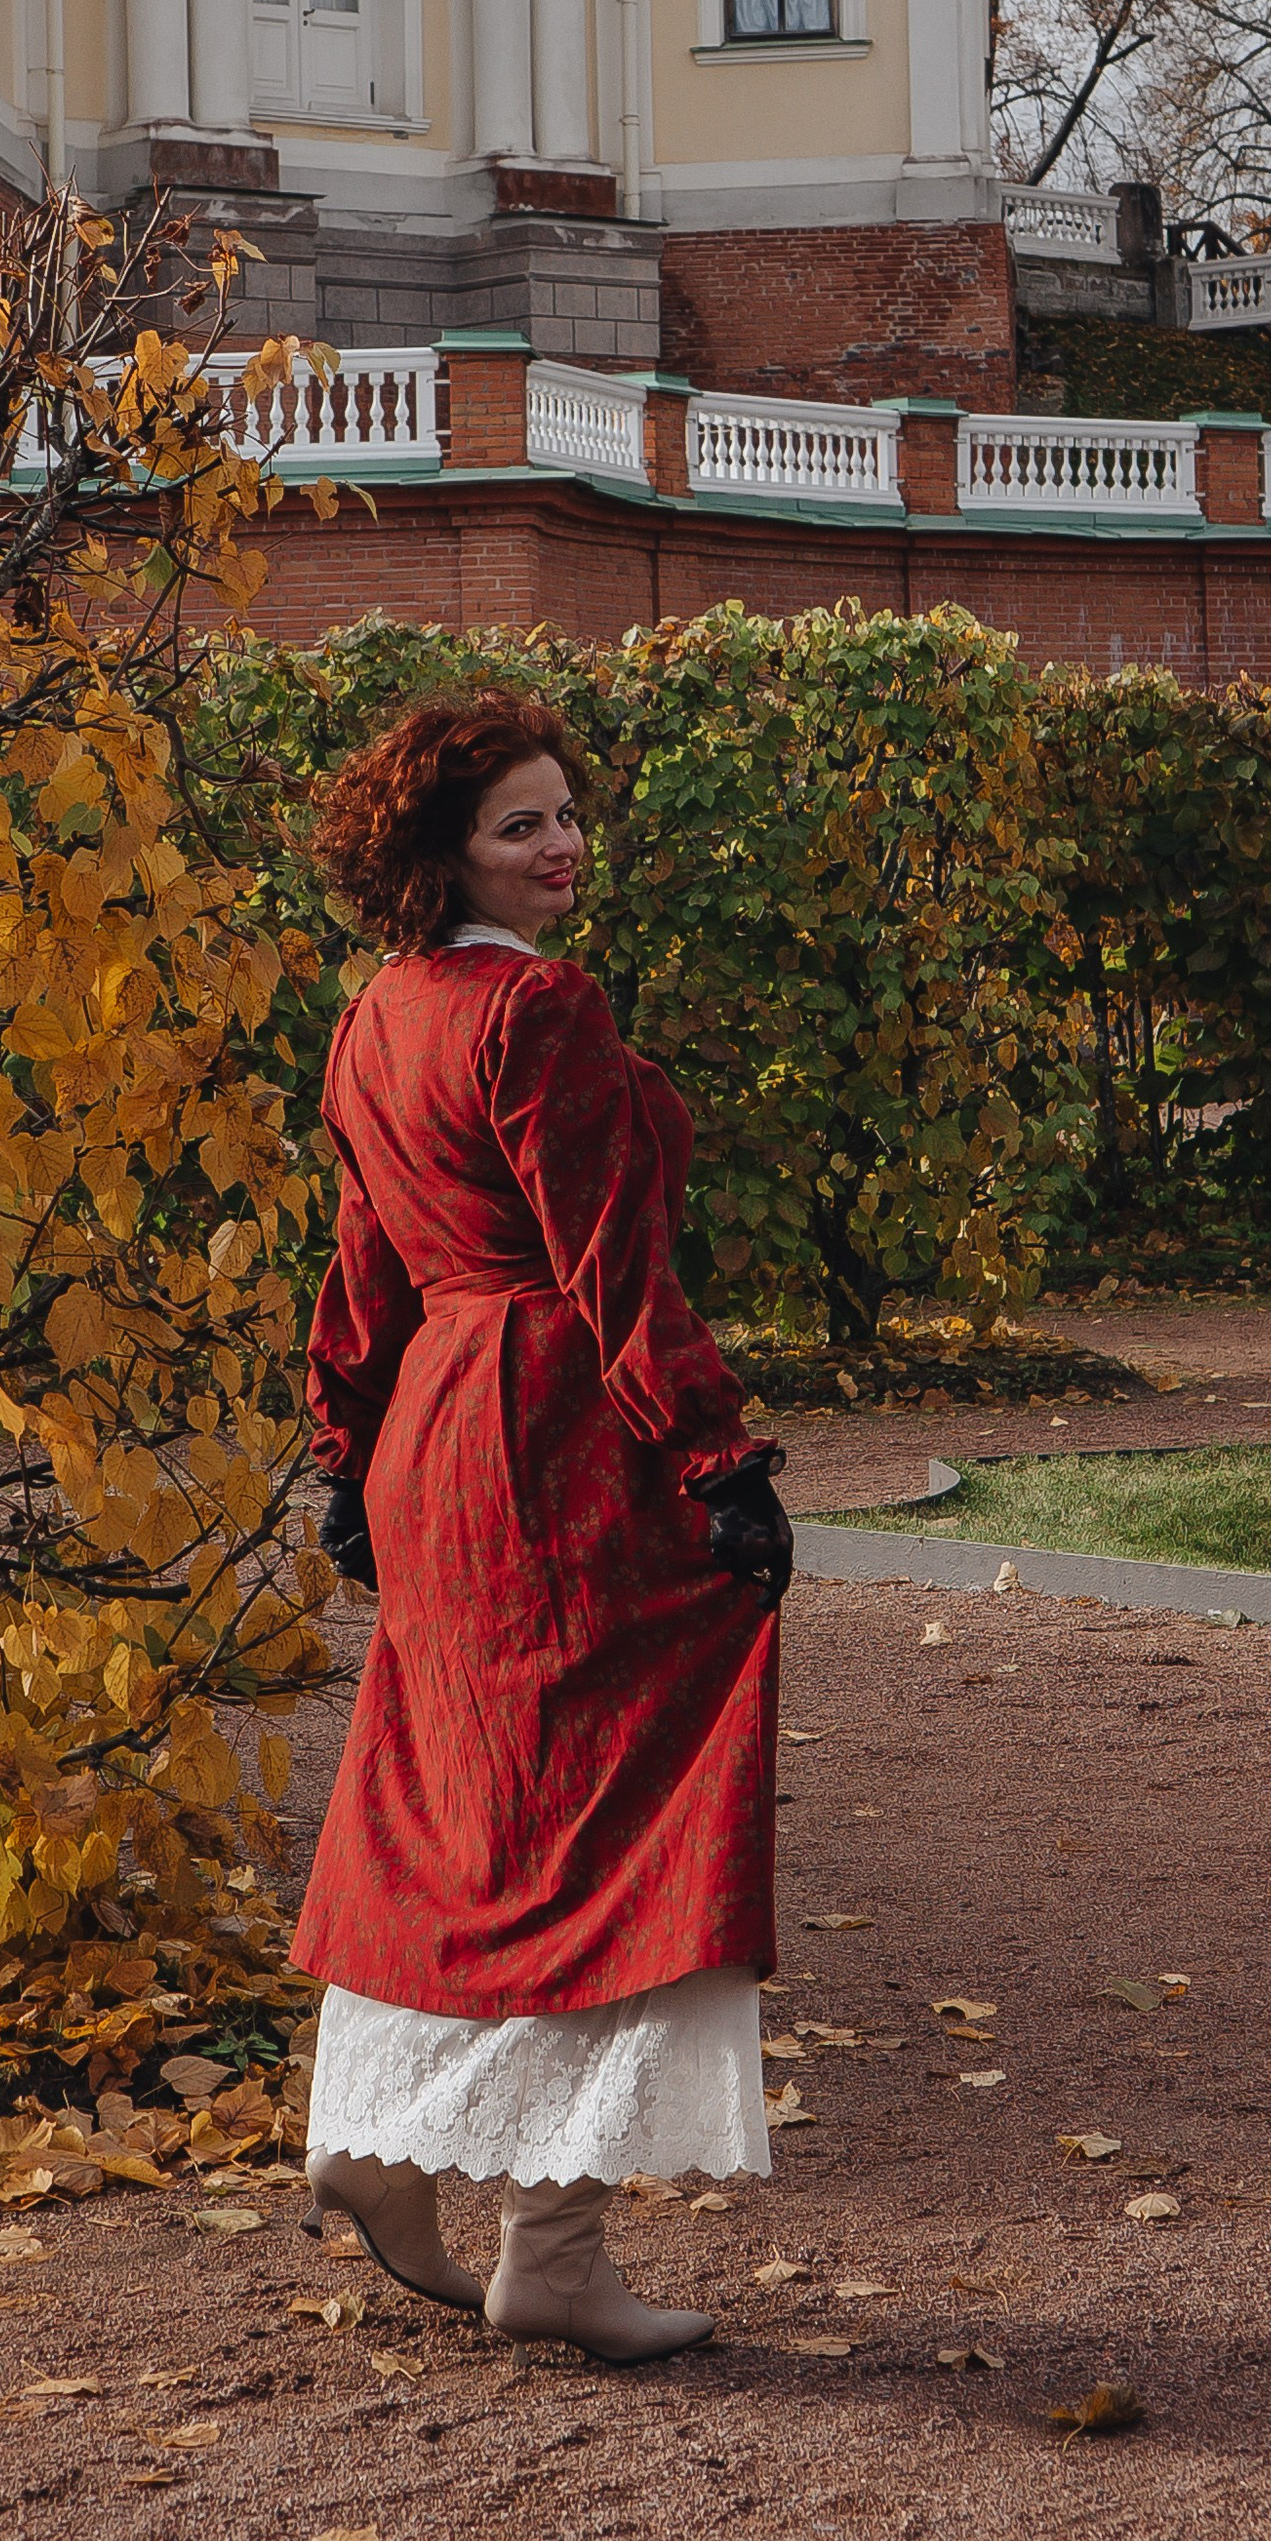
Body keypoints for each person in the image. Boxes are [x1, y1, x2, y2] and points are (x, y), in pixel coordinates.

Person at [290, 689, 794, 2366]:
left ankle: (381, 2140)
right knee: (613, 1807)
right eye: (521, 823)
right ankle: (552, 2244)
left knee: (462, 1804)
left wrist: (344, 1451)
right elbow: (609, 1265)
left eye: (568, 813)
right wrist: (716, 1459)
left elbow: (361, 1269)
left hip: (434, 1427)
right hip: (554, 1424)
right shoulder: (541, 1014)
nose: (562, 844)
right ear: (443, 857)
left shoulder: (373, 1020)